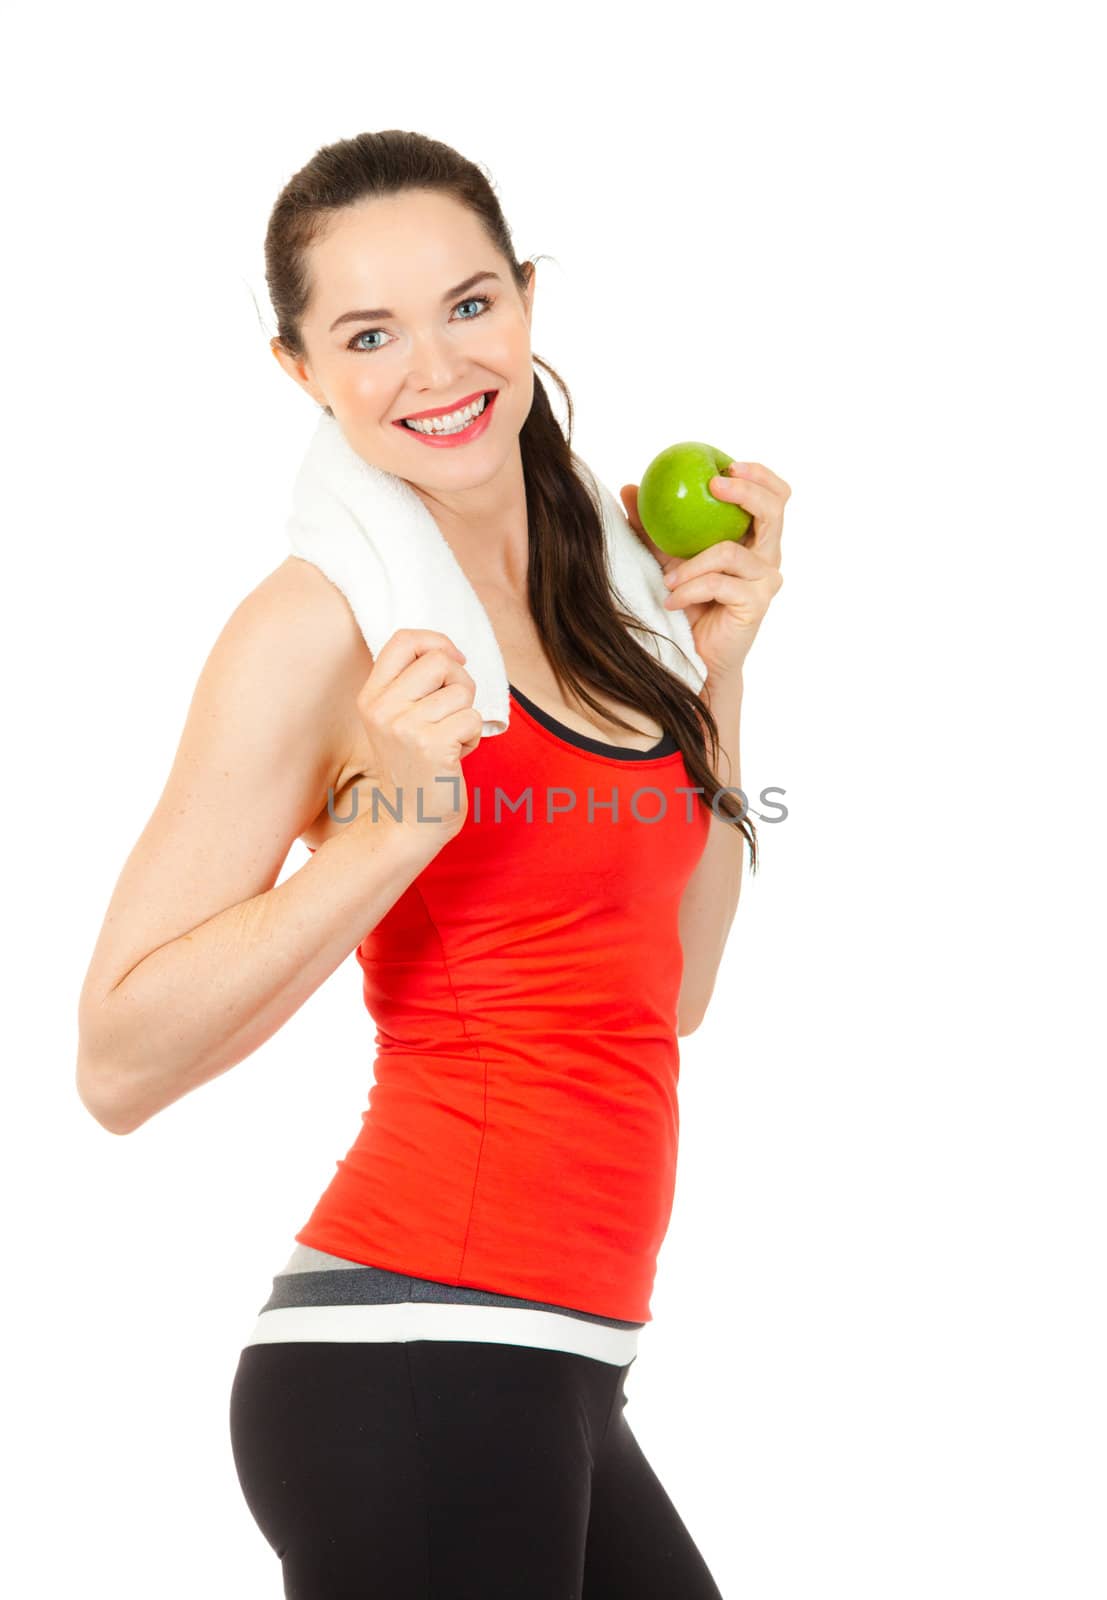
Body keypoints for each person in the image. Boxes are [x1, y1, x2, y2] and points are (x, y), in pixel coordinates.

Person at [75, 129, 787, 1598]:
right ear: (302, 372)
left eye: (469, 306)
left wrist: (713, 674)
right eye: (368, 334)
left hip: (563, 1368)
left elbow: (681, 990)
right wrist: (392, 834)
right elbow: (119, 1062)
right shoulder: (317, 627)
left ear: (527, 300)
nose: (436, 369)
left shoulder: (613, 598)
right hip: (413, 1359)